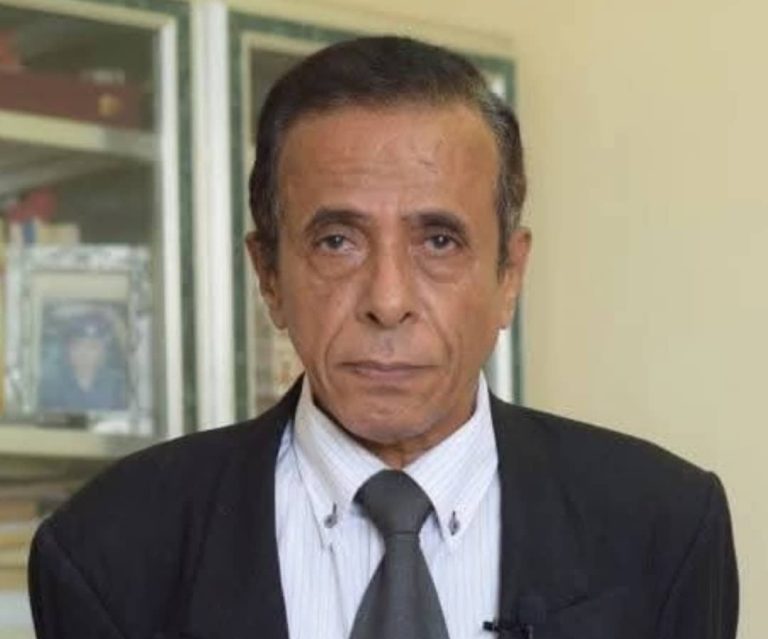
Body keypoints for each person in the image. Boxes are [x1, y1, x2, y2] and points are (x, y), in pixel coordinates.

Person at [28, 36, 738, 639]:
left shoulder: (665, 527)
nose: (388, 302)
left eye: (439, 240)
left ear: (509, 274)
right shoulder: (107, 549)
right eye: (337, 241)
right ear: (269, 275)